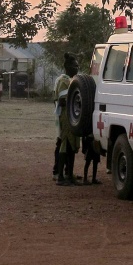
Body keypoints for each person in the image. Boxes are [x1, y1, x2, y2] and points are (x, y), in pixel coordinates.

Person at [54, 53, 80, 186]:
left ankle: (69, 175)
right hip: (65, 116)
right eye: (75, 66)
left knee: (71, 146)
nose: (77, 68)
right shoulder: (63, 81)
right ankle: (60, 177)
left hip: (72, 116)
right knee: (64, 146)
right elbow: (61, 100)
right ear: (67, 67)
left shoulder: (71, 80)